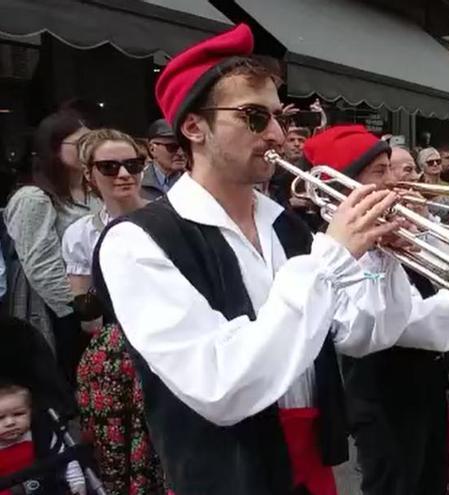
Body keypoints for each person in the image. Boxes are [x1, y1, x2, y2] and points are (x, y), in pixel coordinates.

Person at [92, 24, 426, 495]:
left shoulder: (284, 224)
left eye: (277, 117)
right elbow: (222, 385)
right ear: (194, 127)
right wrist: (329, 259)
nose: (276, 134)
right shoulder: (134, 242)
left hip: (311, 463)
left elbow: (362, 335)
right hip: (229, 477)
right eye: (254, 117)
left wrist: (383, 257)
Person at [303, 125, 449, 495]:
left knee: (434, 480)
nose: (395, 183)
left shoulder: (394, 232)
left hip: (427, 383)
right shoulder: (336, 251)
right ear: (346, 185)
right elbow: (418, 325)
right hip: (385, 397)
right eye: (381, 173)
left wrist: (424, 229)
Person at [60, 129, 164, 494]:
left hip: (171, 341)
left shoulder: (171, 218)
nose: (123, 174)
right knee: (119, 460)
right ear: (90, 174)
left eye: (133, 164)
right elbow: (85, 311)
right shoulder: (81, 234)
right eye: (109, 166)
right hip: (116, 352)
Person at [4, 111, 101, 384]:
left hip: (99, 303)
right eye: (80, 143)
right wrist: (82, 310)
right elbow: (42, 268)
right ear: (53, 147)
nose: (88, 150)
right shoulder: (34, 198)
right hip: (62, 313)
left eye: (92, 141)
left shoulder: (92, 191)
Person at [0, 383, 86, 495]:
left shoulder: (42, 435)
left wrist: (77, 482)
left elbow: (66, 458)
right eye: (0, 418)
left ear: (31, 412)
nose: (10, 423)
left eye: (18, 414)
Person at [140, 119, 186, 200]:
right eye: (172, 147)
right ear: (152, 149)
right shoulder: (137, 181)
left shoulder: (197, 181)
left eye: (184, 146)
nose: (181, 153)